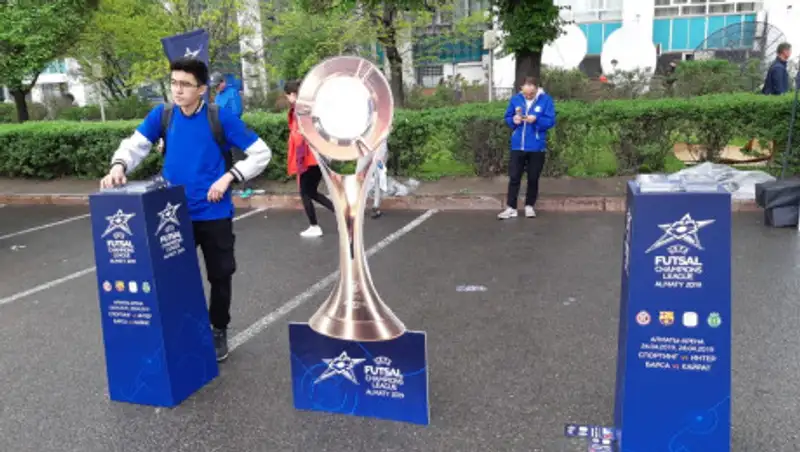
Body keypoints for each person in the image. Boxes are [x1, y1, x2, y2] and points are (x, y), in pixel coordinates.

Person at [100, 57, 273, 362]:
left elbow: (261, 153)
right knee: (173, 276)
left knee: (220, 276)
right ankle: (183, 329)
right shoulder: (163, 115)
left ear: (202, 89)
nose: (177, 90)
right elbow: (136, 144)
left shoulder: (220, 118)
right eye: (173, 83)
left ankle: (218, 329)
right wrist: (119, 165)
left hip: (213, 214)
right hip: (172, 215)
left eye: (185, 84)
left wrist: (229, 177)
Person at [498, 76, 556, 220]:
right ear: (521, 89)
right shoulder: (516, 99)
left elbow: (550, 121)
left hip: (536, 146)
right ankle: (511, 208)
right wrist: (514, 120)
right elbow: (508, 116)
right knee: (514, 177)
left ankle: (529, 205)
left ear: (536, 89)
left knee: (533, 177)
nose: (528, 95)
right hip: (518, 145)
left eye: (531, 93)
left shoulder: (546, 100)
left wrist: (536, 120)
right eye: (526, 92)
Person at [284, 80, 334, 237]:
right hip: (316, 156)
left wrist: (298, 162)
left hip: (308, 157)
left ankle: (314, 226)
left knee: (305, 192)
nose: (288, 99)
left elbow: (299, 137)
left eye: (288, 95)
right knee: (311, 191)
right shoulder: (311, 108)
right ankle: (340, 214)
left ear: (293, 95)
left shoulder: (300, 111)